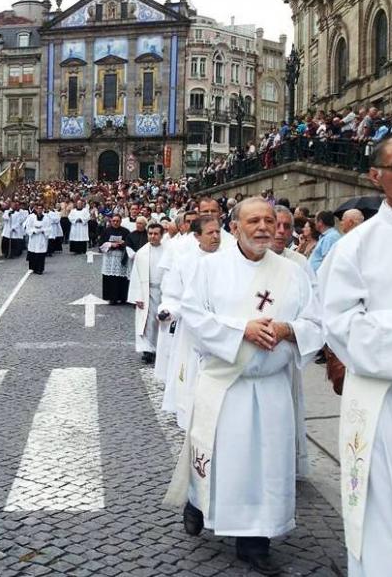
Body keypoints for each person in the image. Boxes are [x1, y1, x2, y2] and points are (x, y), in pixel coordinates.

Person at [164, 198, 321, 576]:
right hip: (227, 384)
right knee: (223, 459)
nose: (265, 227)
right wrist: (242, 330)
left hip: (271, 386)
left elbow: (316, 322)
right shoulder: (210, 268)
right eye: (254, 220)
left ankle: (257, 540)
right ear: (235, 226)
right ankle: (198, 503)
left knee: (267, 463)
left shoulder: (292, 272)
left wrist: (288, 329)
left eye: (270, 220)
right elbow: (195, 318)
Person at [319, 135, 392, 577]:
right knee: (387, 512)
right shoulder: (355, 247)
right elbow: (338, 324)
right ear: (376, 177)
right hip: (387, 403)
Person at [159, 216, 221, 428]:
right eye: (210, 233)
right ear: (197, 236)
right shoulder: (185, 261)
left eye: (218, 232)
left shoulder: (230, 259)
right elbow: (173, 295)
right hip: (192, 331)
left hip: (221, 330)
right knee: (191, 379)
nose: (215, 237)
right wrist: (167, 311)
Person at [127, 223, 165, 365]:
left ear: (161, 235)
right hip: (146, 291)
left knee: (161, 321)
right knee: (147, 322)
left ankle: (160, 349)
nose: (152, 236)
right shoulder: (142, 253)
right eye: (150, 234)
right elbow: (135, 275)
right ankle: (148, 350)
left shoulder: (168, 251)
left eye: (156, 234)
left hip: (164, 291)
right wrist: (137, 296)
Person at [98, 215, 131, 304]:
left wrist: (123, 243)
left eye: (117, 221)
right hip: (109, 257)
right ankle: (112, 298)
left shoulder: (125, 231)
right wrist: (110, 245)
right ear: (111, 221)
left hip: (121, 257)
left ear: (120, 221)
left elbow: (129, 243)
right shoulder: (106, 231)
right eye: (114, 221)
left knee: (122, 277)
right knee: (110, 277)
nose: (115, 223)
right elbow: (101, 244)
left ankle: (123, 297)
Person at [24, 206, 48, 275]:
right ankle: (33, 268)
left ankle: (40, 269)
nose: (39, 210)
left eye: (41, 209)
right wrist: (33, 231)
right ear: (36, 210)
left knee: (40, 253)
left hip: (41, 238)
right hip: (34, 238)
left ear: (42, 210)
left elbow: (49, 228)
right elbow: (28, 227)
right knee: (33, 252)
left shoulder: (46, 218)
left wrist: (43, 230)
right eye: (38, 209)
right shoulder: (31, 218)